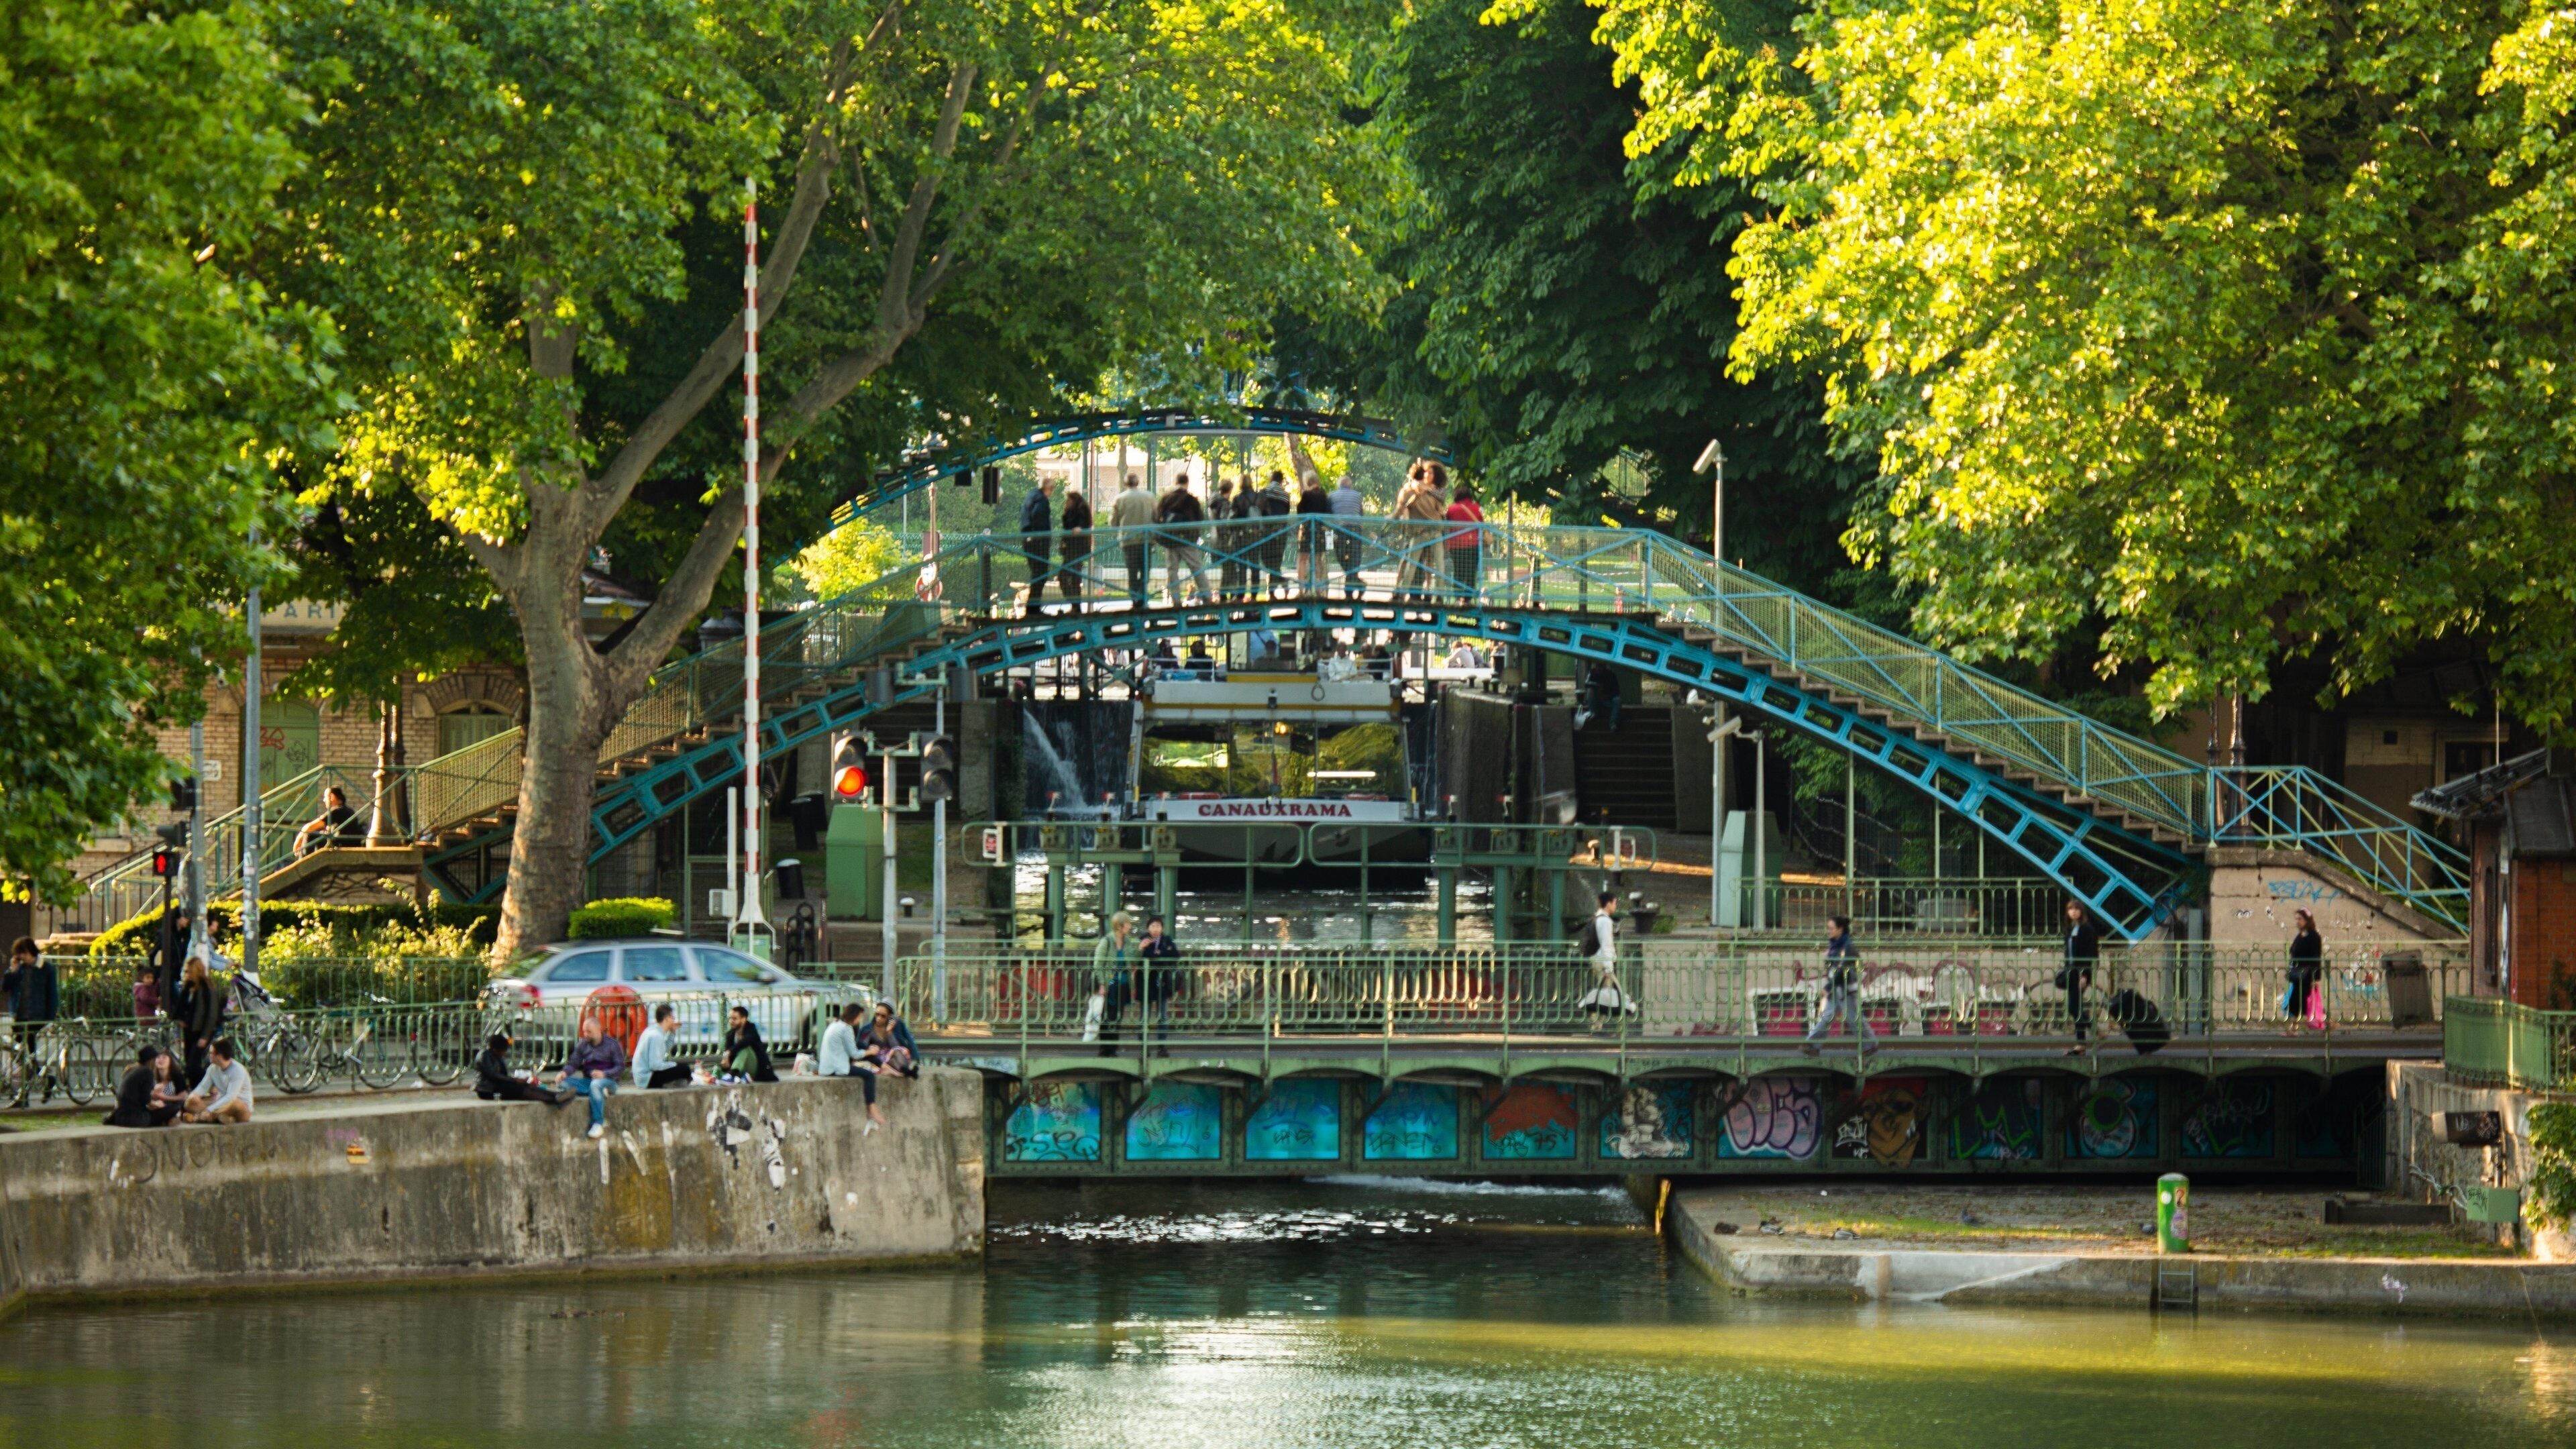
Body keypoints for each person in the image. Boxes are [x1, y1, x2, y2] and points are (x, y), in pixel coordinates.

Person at [1802, 914, 1876, 1054]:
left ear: (1840, 929)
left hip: (1845, 989)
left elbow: (1842, 970)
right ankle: (1812, 1045)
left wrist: (1828, 987)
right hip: (1837, 988)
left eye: (1832, 928)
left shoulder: (1847, 947)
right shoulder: (1836, 945)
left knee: (1854, 1019)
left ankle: (1870, 1044)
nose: (1829, 931)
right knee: (1828, 1016)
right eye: (1828, 928)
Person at [816, 1001, 887, 1129]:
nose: (860, 1020)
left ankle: (884, 1067)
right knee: (869, 1076)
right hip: (837, 1068)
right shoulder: (846, 1028)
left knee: (861, 1047)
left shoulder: (835, 1025)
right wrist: (870, 1051)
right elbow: (855, 1054)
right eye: (859, 1017)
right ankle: (872, 1109)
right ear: (854, 1016)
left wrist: (866, 1051)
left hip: (826, 1067)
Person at [557, 1015, 626, 1138]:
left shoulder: (612, 1044)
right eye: (584, 1031)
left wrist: (604, 1074)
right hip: (588, 1081)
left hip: (609, 1081)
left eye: (589, 1032)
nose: (586, 1034)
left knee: (596, 1085)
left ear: (599, 1030)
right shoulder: (583, 1044)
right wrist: (564, 1073)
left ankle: (598, 1122)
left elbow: (620, 1067)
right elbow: (574, 1063)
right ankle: (597, 1093)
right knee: (564, 1083)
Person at [1575, 892, 1633, 1028]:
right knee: (1608, 993)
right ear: (1608, 904)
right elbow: (1606, 944)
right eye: (1614, 903)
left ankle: (1598, 1022)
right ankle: (1599, 1023)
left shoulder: (1596, 918)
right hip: (1603, 962)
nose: (1615, 906)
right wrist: (1609, 967)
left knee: (1605, 992)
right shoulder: (1605, 921)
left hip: (1597, 960)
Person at [1156, 472, 1213, 606]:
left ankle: (1176, 600)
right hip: (1187, 540)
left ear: (1176, 482)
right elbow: (1200, 519)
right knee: (1197, 568)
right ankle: (1206, 596)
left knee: (1172, 571)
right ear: (1187, 483)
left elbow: (1158, 517)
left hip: (1170, 540)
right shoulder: (1192, 500)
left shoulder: (1166, 499)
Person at [5, 937, 57, 1080]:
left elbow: (52, 995)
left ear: (30, 952)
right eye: (19, 954)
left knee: (28, 1046)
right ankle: (40, 1078)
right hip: (19, 1015)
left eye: (23, 954)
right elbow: (5, 987)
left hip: (36, 1016)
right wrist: (12, 971)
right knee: (19, 1049)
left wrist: (50, 1018)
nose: (21, 957)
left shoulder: (46, 969)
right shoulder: (20, 968)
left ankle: (25, 1085)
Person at [1393, 462, 1447, 599]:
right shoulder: (1436, 495)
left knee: (1411, 564)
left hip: (1420, 532)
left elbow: (1403, 507)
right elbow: (1440, 511)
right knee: (1438, 563)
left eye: (1430, 473)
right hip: (1434, 531)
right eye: (1426, 472)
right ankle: (1439, 595)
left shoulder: (1412, 490)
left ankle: (1402, 592)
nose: (1427, 475)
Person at [475, 1031, 572, 1106]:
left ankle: (554, 1095)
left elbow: (502, 1075)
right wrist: (515, 1080)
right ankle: (553, 1099)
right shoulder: (484, 1055)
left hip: (498, 1085)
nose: (504, 1054)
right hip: (488, 1089)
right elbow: (493, 1075)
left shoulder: (497, 1057)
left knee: (527, 1085)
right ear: (497, 1049)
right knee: (521, 1090)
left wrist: (516, 1080)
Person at [1091, 910, 1139, 1053]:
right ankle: (1105, 1047)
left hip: (1123, 984)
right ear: (1119, 926)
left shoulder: (1128, 941)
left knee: (1118, 1016)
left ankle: (1113, 1047)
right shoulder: (1107, 941)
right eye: (1128, 924)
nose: (1130, 926)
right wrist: (1102, 984)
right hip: (1110, 984)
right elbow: (1098, 964)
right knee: (1108, 1016)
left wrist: (1141, 949)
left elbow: (1133, 959)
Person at [175, 951, 226, 1087]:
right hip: (190, 1029)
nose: (188, 974)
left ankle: (213, 1084)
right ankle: (197, 1090)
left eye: (190, 972)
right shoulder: (188, 987)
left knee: (193, 1065)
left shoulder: (206, 988)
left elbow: (211, 1014)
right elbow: (181, 1008)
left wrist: (205, 1036)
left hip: (201, 1030)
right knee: (189, 1064)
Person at [104, 1044, 183, 1128]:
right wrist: (156, 1104)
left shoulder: (132, 1070)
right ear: (152, 1060)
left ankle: (166, 1121)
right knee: (176, 1106)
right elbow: (145, 1100)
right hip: (135, 1118)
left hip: (121, 1115)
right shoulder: (147, 1072)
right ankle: (167, 1121)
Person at [2059, 901, 2102, 1055]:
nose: (2074, 912)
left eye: (2077, 909)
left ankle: (2086, 1039)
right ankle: (2084, 1041)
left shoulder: (2087, 929)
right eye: (2070, 909)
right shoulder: (2071, 929)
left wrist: (2085, 974)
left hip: (2081, 973)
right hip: (2072, 972)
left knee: (2074, 1007)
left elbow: (2090, 953)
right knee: (2075, 1007)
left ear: (2082, 912)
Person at [1110, 472, 1158, 604]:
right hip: (1146, 540)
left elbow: (1113, 523)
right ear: (1138, 482)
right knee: (1145, 571)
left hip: (1128, 541)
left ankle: (1134, 598)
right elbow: (1157, 516)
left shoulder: (1119, 499)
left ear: (1125, 483)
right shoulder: (1150, 497)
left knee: (1132, 572)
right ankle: (1142, 597)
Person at [182, 1036, 253, 1124]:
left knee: (234, 1103)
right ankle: (218, 1118)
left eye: (211, 1053)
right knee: (189, 1103)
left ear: (219, 1056)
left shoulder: (237, 1070)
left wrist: (209, 1109)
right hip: (219, 1105)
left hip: (239, 1107)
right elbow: (204, 1087)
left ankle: (200, 1118)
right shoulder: (213, 1068)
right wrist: (194, 1095)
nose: (209, 1056)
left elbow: (231, 1096)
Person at [1016, 476, 1058, 616]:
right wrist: (1042, 537)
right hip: (1038, 542)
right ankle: (1033, 608)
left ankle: (1032, 608)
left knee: (1036, 574)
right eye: (1052, 489)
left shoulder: (1031, 496)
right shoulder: (1042, 500)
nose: (1052, 493)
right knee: (1041, 574)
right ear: (1048, 488)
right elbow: (1039, 518)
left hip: (1028, 540)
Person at [1254, 470, 1295, 596]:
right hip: (1281, 532)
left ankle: (1274, 589)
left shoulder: (1263, 492)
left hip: (1266, 531)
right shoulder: (1286, 496)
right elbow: (1286, 513)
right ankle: (1278, 587)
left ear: (1271, 479)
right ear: (1281, 481)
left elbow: (1258, 510)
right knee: (1276, 561)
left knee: (1267, 560)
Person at [1442, 478, 1485, 599]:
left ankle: (1457, 597)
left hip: (1456, 546)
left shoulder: (1451, 509)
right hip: (1473, 545)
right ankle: (1468, 598)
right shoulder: (1476, 508)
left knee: (1458, 572)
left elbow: (1447, 524)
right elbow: (1482, 524)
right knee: (1471, 572)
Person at [631, 1003, 692, 1087]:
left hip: (644, 1077)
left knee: (681, 1067)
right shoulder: (656, 1036)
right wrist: (673, 1065)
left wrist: (672, 1032)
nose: (674, 1020)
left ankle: (674, 1083)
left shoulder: (652, 1030)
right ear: (667, 1019)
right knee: (685, 1069)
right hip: (647, 1079)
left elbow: (665, 1050)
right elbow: (655, 1065)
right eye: (672, 1018)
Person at [1137, 915, 1181, 1026]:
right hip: (1146, 980)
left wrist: (1160, 953)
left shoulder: (1167, 940)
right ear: (1148, 928)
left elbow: (1176, 954)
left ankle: (1161, 1041)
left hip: (1163, 980)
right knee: (1145, 1014)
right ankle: (1143, 1041)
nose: (1156, 929)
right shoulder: (1144, 940)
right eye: (1153, 926)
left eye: (1158, 926)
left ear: (1162, 928)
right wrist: (1162, 952)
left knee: (1162, 1014)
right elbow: (1146, 955)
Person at [1295, 472, 1335, 595]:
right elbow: (1329, 514)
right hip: (1320, 531)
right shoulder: (1324, 495)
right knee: (1318, 559)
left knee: (1303, 559)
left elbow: (1300, 512)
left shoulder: (1306, 495)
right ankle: (1319, 588)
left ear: (1307, 482)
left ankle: (1301, 589)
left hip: (1307, 530)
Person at [2286, 908, 2325, 1032]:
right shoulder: (2300, 935)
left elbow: (2316, 958)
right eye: (2296, 919)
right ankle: (2294, 1028)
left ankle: (2294, 1029)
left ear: (2307, 920)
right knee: (2297, 1001)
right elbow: (2293, 951)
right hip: (2299, 974)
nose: (2297, 921)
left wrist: (2316, 978)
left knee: (2306, 1001)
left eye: (2300, 919)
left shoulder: (2314, 936)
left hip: (2308, 975)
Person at [1328, 472, 1367, 596]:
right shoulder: (1358, 495)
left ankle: (1350, 590)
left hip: (1340, 530)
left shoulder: (1331, 496)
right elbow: (1361, 514)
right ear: (1350, 486)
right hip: (1356, 529)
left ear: (1339, 485)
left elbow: (1329, 516)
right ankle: (1355, 584)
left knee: (1341, 556)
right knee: (1355, 557)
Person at [294, 785, 361, 856]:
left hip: (342, 846)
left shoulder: (338, 810)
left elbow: (310, 827)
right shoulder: (347, 810)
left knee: (311, 834)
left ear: (332, 797)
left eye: (325, 797)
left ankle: (304, 861)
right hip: (345, 844)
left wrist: (298, 842)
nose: (324, 800)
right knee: (321, 833)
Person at [1218, 476, 1256, 599]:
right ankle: (1254, 595)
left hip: (1241, 537)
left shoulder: (1237, 499)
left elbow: (1231, 520)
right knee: (1255, 566)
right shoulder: (1260, 497)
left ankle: (1240, 595)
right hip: (1256, 536)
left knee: (1242, 567)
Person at [1057, 484, 1093, 612]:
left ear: (1073, 501)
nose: (1066, 502)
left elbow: (1080, 526)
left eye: (1068, 500)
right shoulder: (1072, 512)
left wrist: (1077, 530)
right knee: (1071, 577)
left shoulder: (1079, 511)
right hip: (1074, 548)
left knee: (1067, 576)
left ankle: (1075, 606)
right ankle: (1075, 605)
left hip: (1076, 548)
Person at [720, 1005, 777, 1083]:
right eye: (730, 1018)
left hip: (757, 1070)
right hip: (740, 1069)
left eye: (735, 1019)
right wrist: (725, 1063)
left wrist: (728, 1052)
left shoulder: (751, 1030)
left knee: (745, 1049)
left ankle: (733, 1074)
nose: (731, 1021)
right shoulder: (730, 1035)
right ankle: (735, 1075)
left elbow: (745, 1042)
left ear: (744, 1019)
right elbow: (728, 1057)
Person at [861, 1001, 918, 1077]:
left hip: (889, 1056)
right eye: (877, 1014)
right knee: (893, 1058)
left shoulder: (893, 1027)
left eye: (883, 1016)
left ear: (889, 1017)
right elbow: (861, 1047)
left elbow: (895, 1046)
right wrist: (871, 1049)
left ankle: (906, 1071)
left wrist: (889, 1032)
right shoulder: (868, 1029)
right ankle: (907, 1072)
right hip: (876, 1058)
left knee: (897, 1051)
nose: (879, 1018)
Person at [1576, 659, 1623, 731]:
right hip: (1596, 700)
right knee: (1590, 690)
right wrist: (1597, 686)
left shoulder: (1611, 675)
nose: (1599, 669)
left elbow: (1617, 691)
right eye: (1598, 666)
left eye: (1601, 666)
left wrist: (1607, 695)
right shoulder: (1592, 673)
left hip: (1607, 700)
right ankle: (1593, 712)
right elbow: (1587, 684)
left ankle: (1613, 724)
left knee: (1617, 700)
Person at [130, 957, 160, 1022]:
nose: (150, 980)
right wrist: (157, 1001)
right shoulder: (142, 988)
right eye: (148, 977)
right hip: (145, 1016)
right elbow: (145, 998)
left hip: (145, 1015)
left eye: (152, 978)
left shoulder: (142, 987)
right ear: (141, 978)